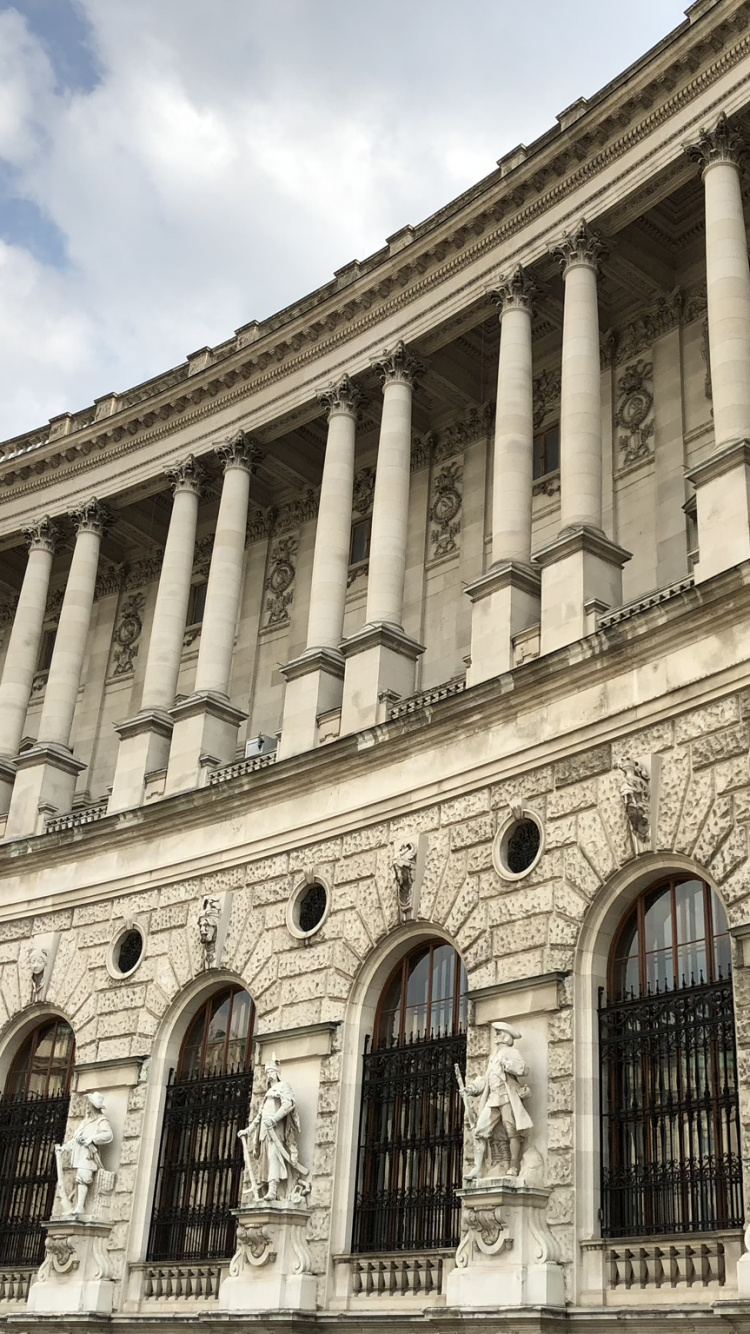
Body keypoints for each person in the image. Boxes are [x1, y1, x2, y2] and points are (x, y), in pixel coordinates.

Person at [464, 1021, 533, 1180]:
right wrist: (472, 1089)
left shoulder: (512, 1052)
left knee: (512, 1131)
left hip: (508, 1097)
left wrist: (508, 1065)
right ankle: (477, 1168)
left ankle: (514, 1165)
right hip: (493, 1098)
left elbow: (523, 1069)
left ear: (507, 1036)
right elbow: (486, 1079)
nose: (497, 1036)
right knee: (480, 1131)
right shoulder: (493, 1057)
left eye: (499, 1033)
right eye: (496, 1033)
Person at [239, 1056, 308, 1203]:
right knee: (265, 1161)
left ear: (277, 1072)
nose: (269, 1074)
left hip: (275, 1130)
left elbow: (288, 1105)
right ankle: (268, 1187)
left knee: (274, 1157)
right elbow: (259, 1116)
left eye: (271, 1071)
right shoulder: (267, 1094)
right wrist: (248, 1130)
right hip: (264, 1131)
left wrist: (274, 1119)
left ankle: (273, 1189)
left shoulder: (283, 1086)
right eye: (267, 1072)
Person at [55, 1092, 114, 1217]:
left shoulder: (101, 1120)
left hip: (88, 1156)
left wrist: (91, 1139)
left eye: (88, 1105)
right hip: (80, 1155)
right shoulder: (85, 1121)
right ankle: (78, 1205)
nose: (87, 1108)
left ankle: (80, 1206)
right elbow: (76, 1138)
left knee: (83, 1178)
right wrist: (65, 1148)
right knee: (80, 1179)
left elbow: (108, 1135)